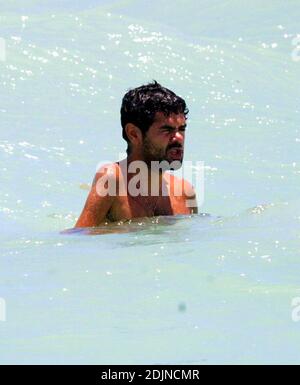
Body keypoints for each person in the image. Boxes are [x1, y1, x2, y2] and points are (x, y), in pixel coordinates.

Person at [75, 81, 198, 228]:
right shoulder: (112, 180)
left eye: (181, 129)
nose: (179, 137)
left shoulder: (186, 192)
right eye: (167, 130)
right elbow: (78, 239)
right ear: (133, 134)